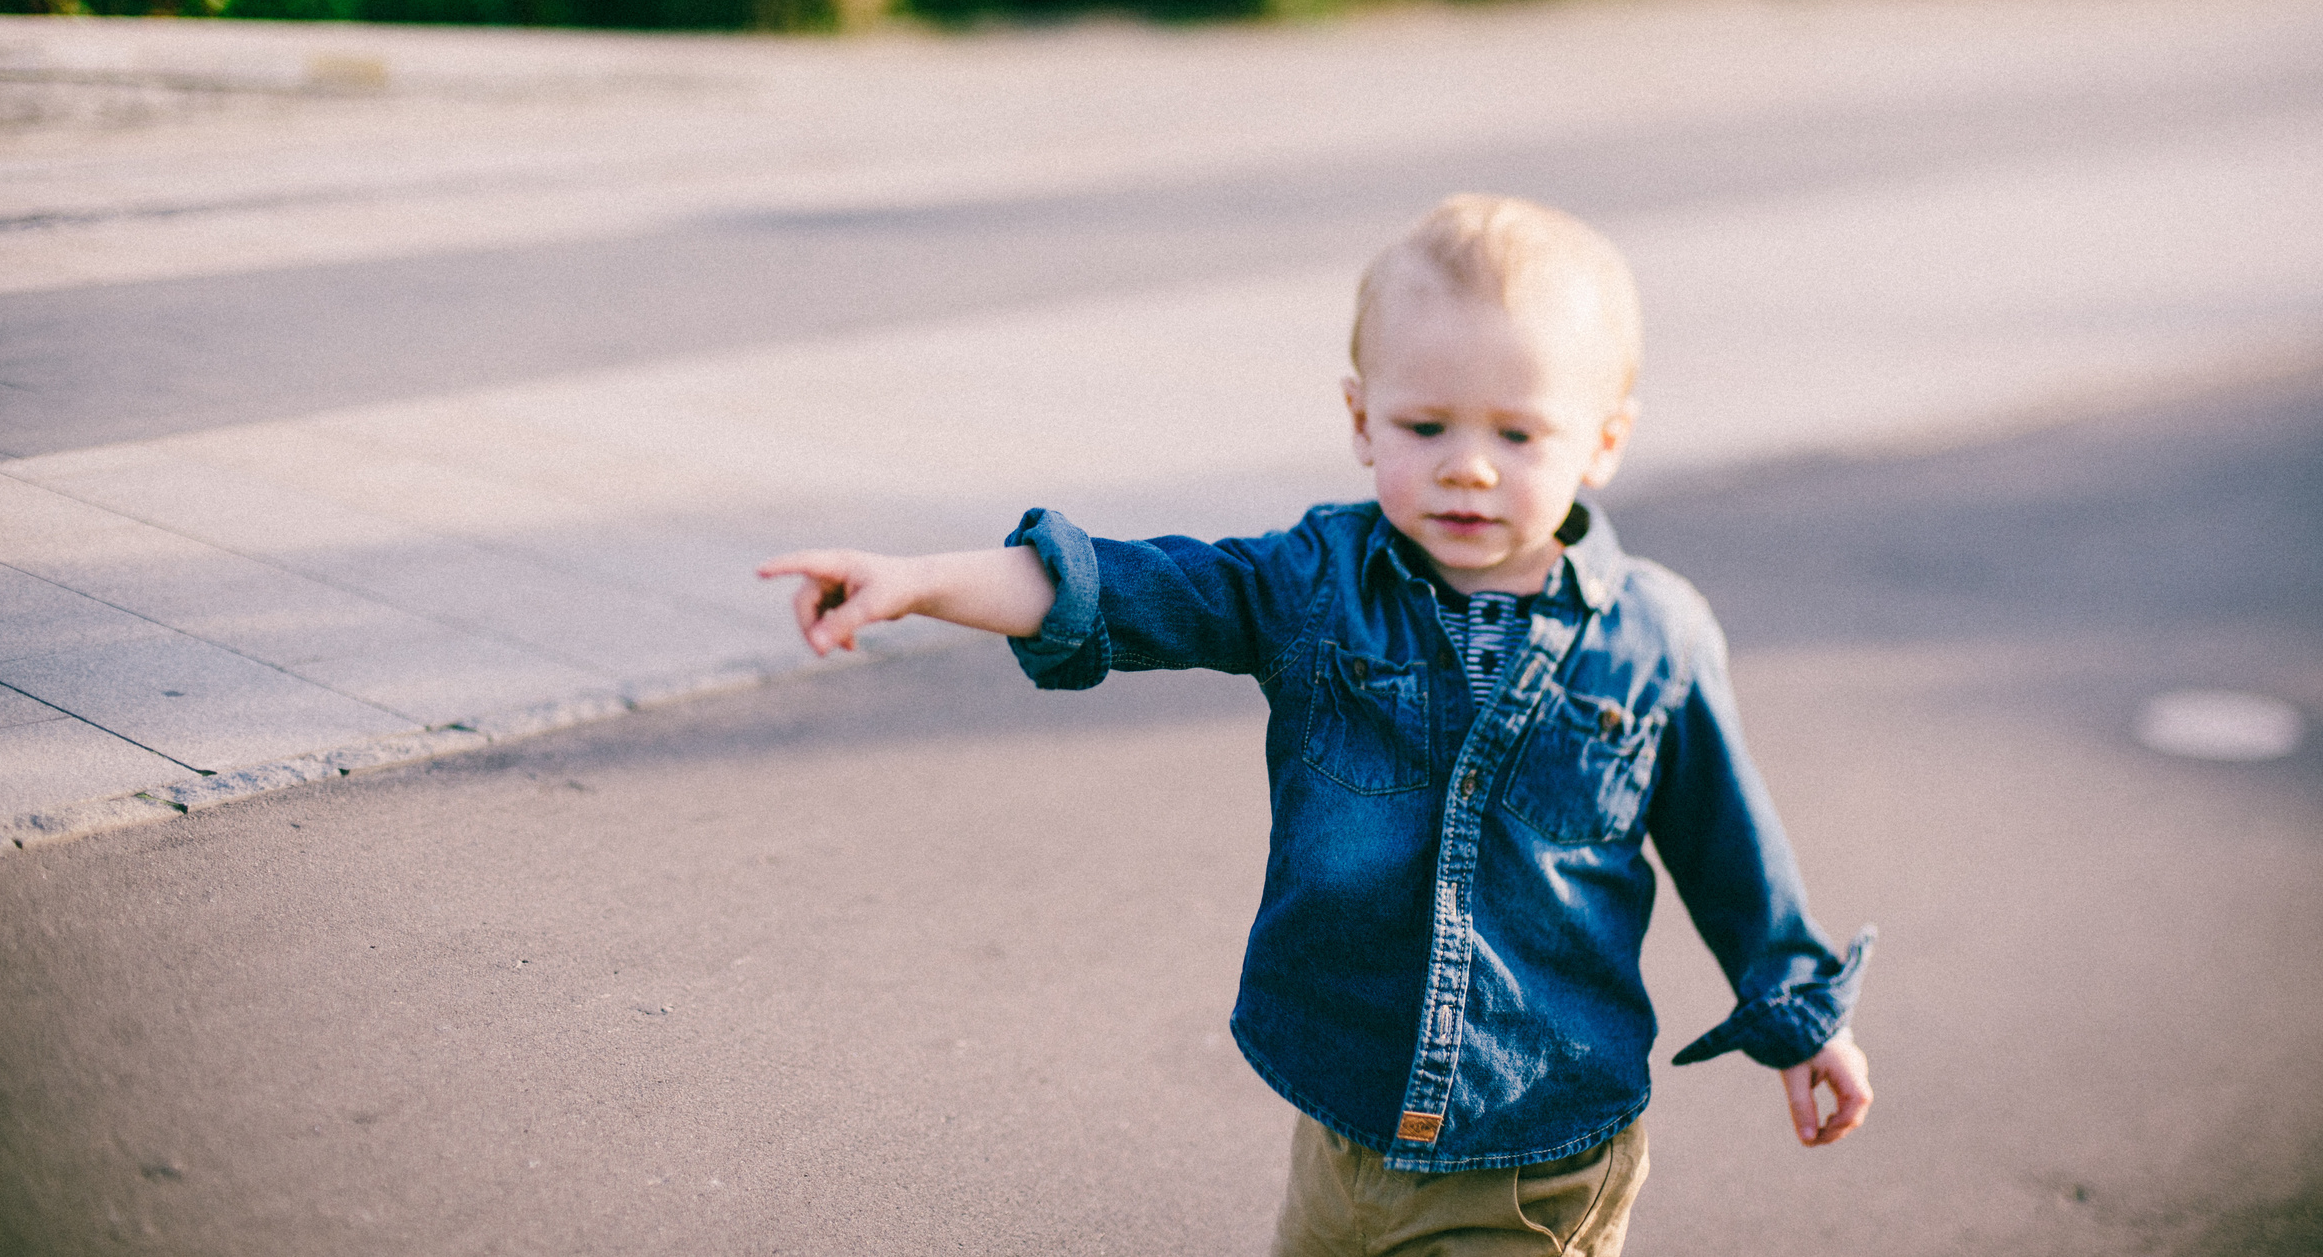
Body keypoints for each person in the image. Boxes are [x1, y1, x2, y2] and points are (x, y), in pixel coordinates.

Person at [759, 193, 1873, 1256]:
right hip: (1346, 1121)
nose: (1468, 463)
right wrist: (917, 579)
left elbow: (1732, 850)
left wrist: (1800, 1017)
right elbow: (1131, 588)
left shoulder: (1652, 636)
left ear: (1603, 441)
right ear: (1359, 419)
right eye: (1424, 423)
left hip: (1537, 1154)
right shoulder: (1313, 585)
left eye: (1519, 433)